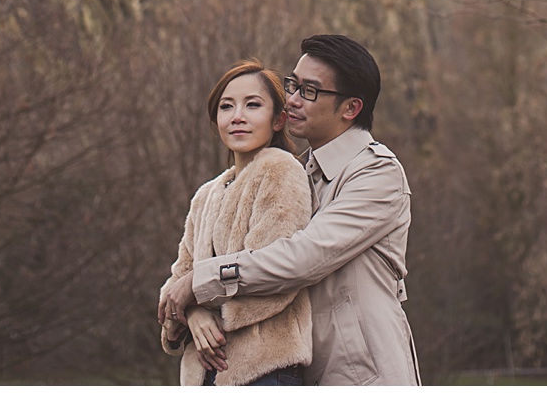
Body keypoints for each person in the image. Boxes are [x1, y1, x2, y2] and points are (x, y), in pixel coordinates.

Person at [160, 34, 421, 386]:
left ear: (350, 108)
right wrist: (192, 308)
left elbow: (302, 259)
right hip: (298, 373)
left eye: (309, 91)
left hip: (363, 376)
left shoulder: (377, 174)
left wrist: (201, 282)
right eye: (292, 85)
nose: (292, 100)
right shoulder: (293, 173)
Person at [159, 60, 313, 386]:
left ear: (278, 120)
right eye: (226, 107)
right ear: (216, 121)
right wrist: (192, 314)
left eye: (253, 105)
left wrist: (203, 305)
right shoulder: (206, 195)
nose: (238, 116)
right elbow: (175, 285)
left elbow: (274, 272)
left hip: (265, 369)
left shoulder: (281, 170)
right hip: (204, 374)